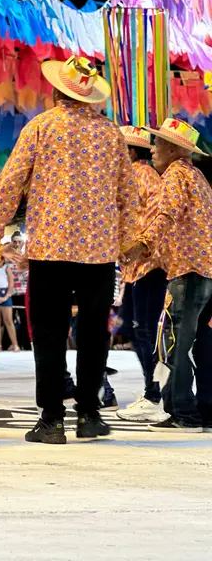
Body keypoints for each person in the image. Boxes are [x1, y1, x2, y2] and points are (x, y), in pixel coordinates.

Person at [0, 56, 137, 444]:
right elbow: (127, 196)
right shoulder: (111, 134)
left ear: (56, 91)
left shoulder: (41, 126)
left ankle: (51, 420)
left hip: (50, 249)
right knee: (92, 334)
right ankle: (89, 414)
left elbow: (11, 181)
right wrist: (128, 242)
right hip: (99, 253)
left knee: (49, 334)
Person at [123, 118, 212, 433]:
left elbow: (166, 214)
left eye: (158, 143)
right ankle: (205, 409)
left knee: (173, 341)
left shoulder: (174, 176)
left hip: (186, 271)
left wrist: (142, 244)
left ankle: (182, 411)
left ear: (174, 148)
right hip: (205, 271)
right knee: (203, 344)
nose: (153, 150)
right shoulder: (198, 176)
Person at [115, 126, 170, 423]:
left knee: (146, 330)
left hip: (147, 263)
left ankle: (155, 394)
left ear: (130, 152)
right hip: (141, 265)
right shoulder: (144, 176)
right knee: (140, 330)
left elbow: (141, 221)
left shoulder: (138, 175)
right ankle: (155, 391)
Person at [0, 258, 20, 352]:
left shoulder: (6, 268)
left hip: (5, 294)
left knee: (8, 320)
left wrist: (6, 296)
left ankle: (15, 344)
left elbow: (11, 283)